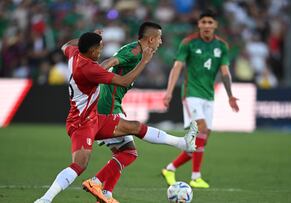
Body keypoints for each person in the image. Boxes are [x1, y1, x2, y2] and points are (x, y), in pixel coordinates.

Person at [34, 28, 198, 203]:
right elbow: (123, 81)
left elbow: (66, 45)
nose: (101, 50)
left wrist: (88, 37)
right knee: (80, 164)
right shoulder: (89, 69)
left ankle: (182, 143)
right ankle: (45, 199)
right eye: (98, 48)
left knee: (134, 128)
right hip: (81, 123)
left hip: (95, 118)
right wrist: (144, 61)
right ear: (90, 51)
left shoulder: (75, 53)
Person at [86, 22, 181, 203]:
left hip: (111, 104)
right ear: (151, 39)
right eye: (159, 38)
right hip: (108, 107)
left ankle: (105, 195)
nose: (160, 42)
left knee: (124, 154)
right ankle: (96, 182)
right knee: (129, 153)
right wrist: (94, 75)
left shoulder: (137, 50)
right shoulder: (134, 52)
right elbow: (110, 62)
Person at [161, 10, 239, 189]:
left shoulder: (222, 46)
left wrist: (230, 95)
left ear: (215, 25)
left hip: (209, 97)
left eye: (210, 22)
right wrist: (169, 92)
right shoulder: (189, 43)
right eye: (203, 22)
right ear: (199, 25)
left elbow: (225, 72)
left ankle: (170, 168)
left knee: (199, 141)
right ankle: (195, 177)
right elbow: (177, 67)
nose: (206, 25)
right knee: (201, 129)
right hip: (191, 94)